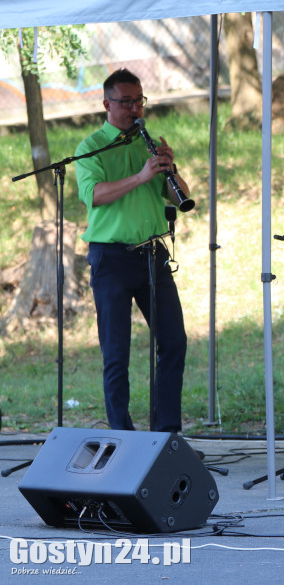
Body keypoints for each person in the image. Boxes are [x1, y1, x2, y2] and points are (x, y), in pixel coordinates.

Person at [75, 68, 191, 432]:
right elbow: (94, 195)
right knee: (116, 354)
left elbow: (180, 195)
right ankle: (123, 437)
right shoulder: (90, 147)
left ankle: (166, 435)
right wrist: (141, 176)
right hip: (111, 259)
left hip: (152, 256)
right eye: (127, 101)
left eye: (140, 100)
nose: (135, 108)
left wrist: (169, 169)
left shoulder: (148, 142)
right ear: (107, 103)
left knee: (174, 343)